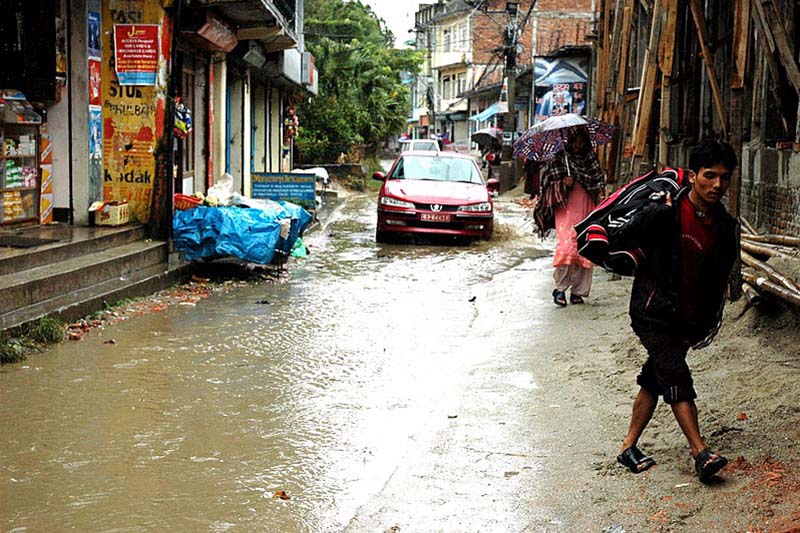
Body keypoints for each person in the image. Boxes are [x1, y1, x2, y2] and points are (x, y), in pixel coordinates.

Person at [616, 140, 739, 483]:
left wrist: (704, 320)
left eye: (724, 178)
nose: (717, 185)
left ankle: (628, 446)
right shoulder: (668, 208)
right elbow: (625, 235)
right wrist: (654, 213)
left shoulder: (725, 227)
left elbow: (718, 279)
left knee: (656, 377)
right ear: (694, 175)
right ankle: (701, 453)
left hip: (687, 318)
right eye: (709, 176)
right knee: (677, 377)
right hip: (652, 311)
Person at [534, 128, 604, 306]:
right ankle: (560, 289)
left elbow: (597, 180)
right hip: (565, 209)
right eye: (575, 142)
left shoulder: (590, 159)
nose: (578, 146)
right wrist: (562, 183)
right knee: (567, 247)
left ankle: (578, 292)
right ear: (569, 142)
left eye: (582, 142)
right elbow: (546, 185)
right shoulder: (559, 159)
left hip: (587, 208)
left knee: (585, 248)